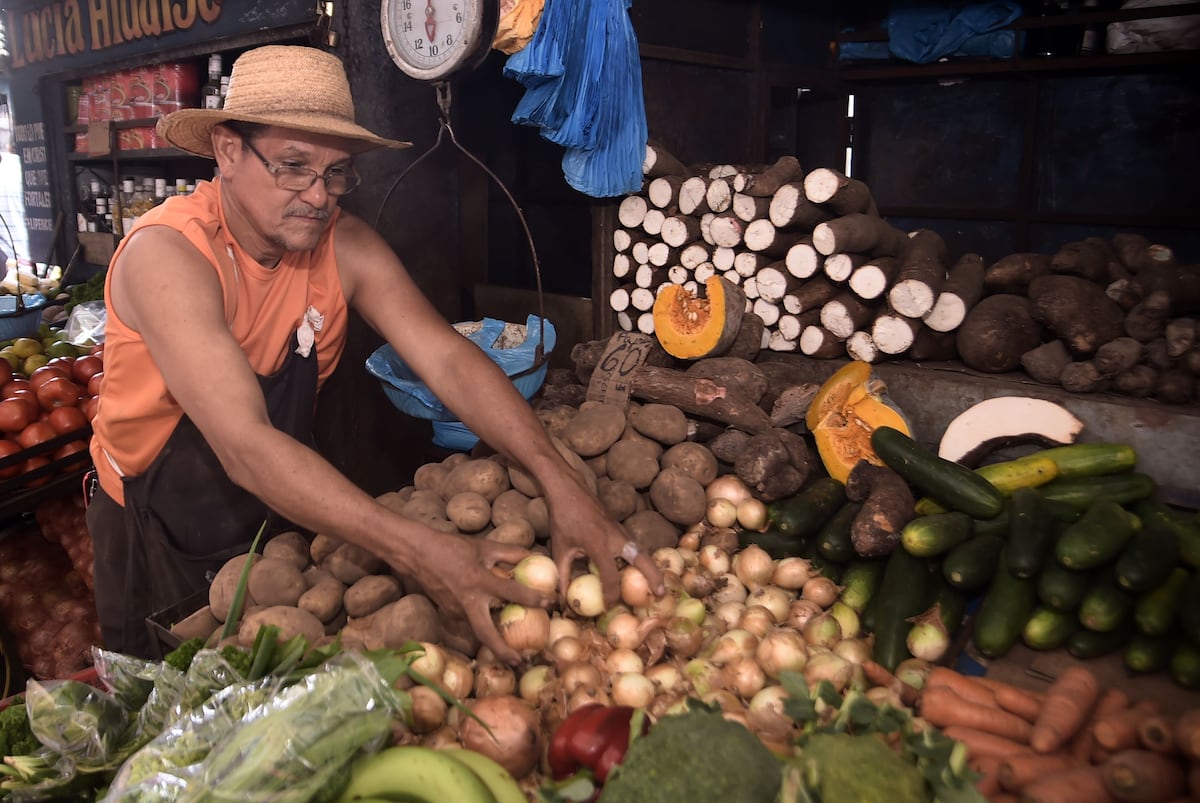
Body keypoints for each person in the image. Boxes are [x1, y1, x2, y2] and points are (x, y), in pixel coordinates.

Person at [86, 45, 663, 662]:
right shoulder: (168, 257)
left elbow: (445, 358)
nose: (318, 196)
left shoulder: (342, 246)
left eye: (336, 173)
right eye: (293, 166)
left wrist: (558, 479)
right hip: (159, 532)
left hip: (279, 514)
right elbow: (246, 444)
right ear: (228, 150)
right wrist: (414, 547)